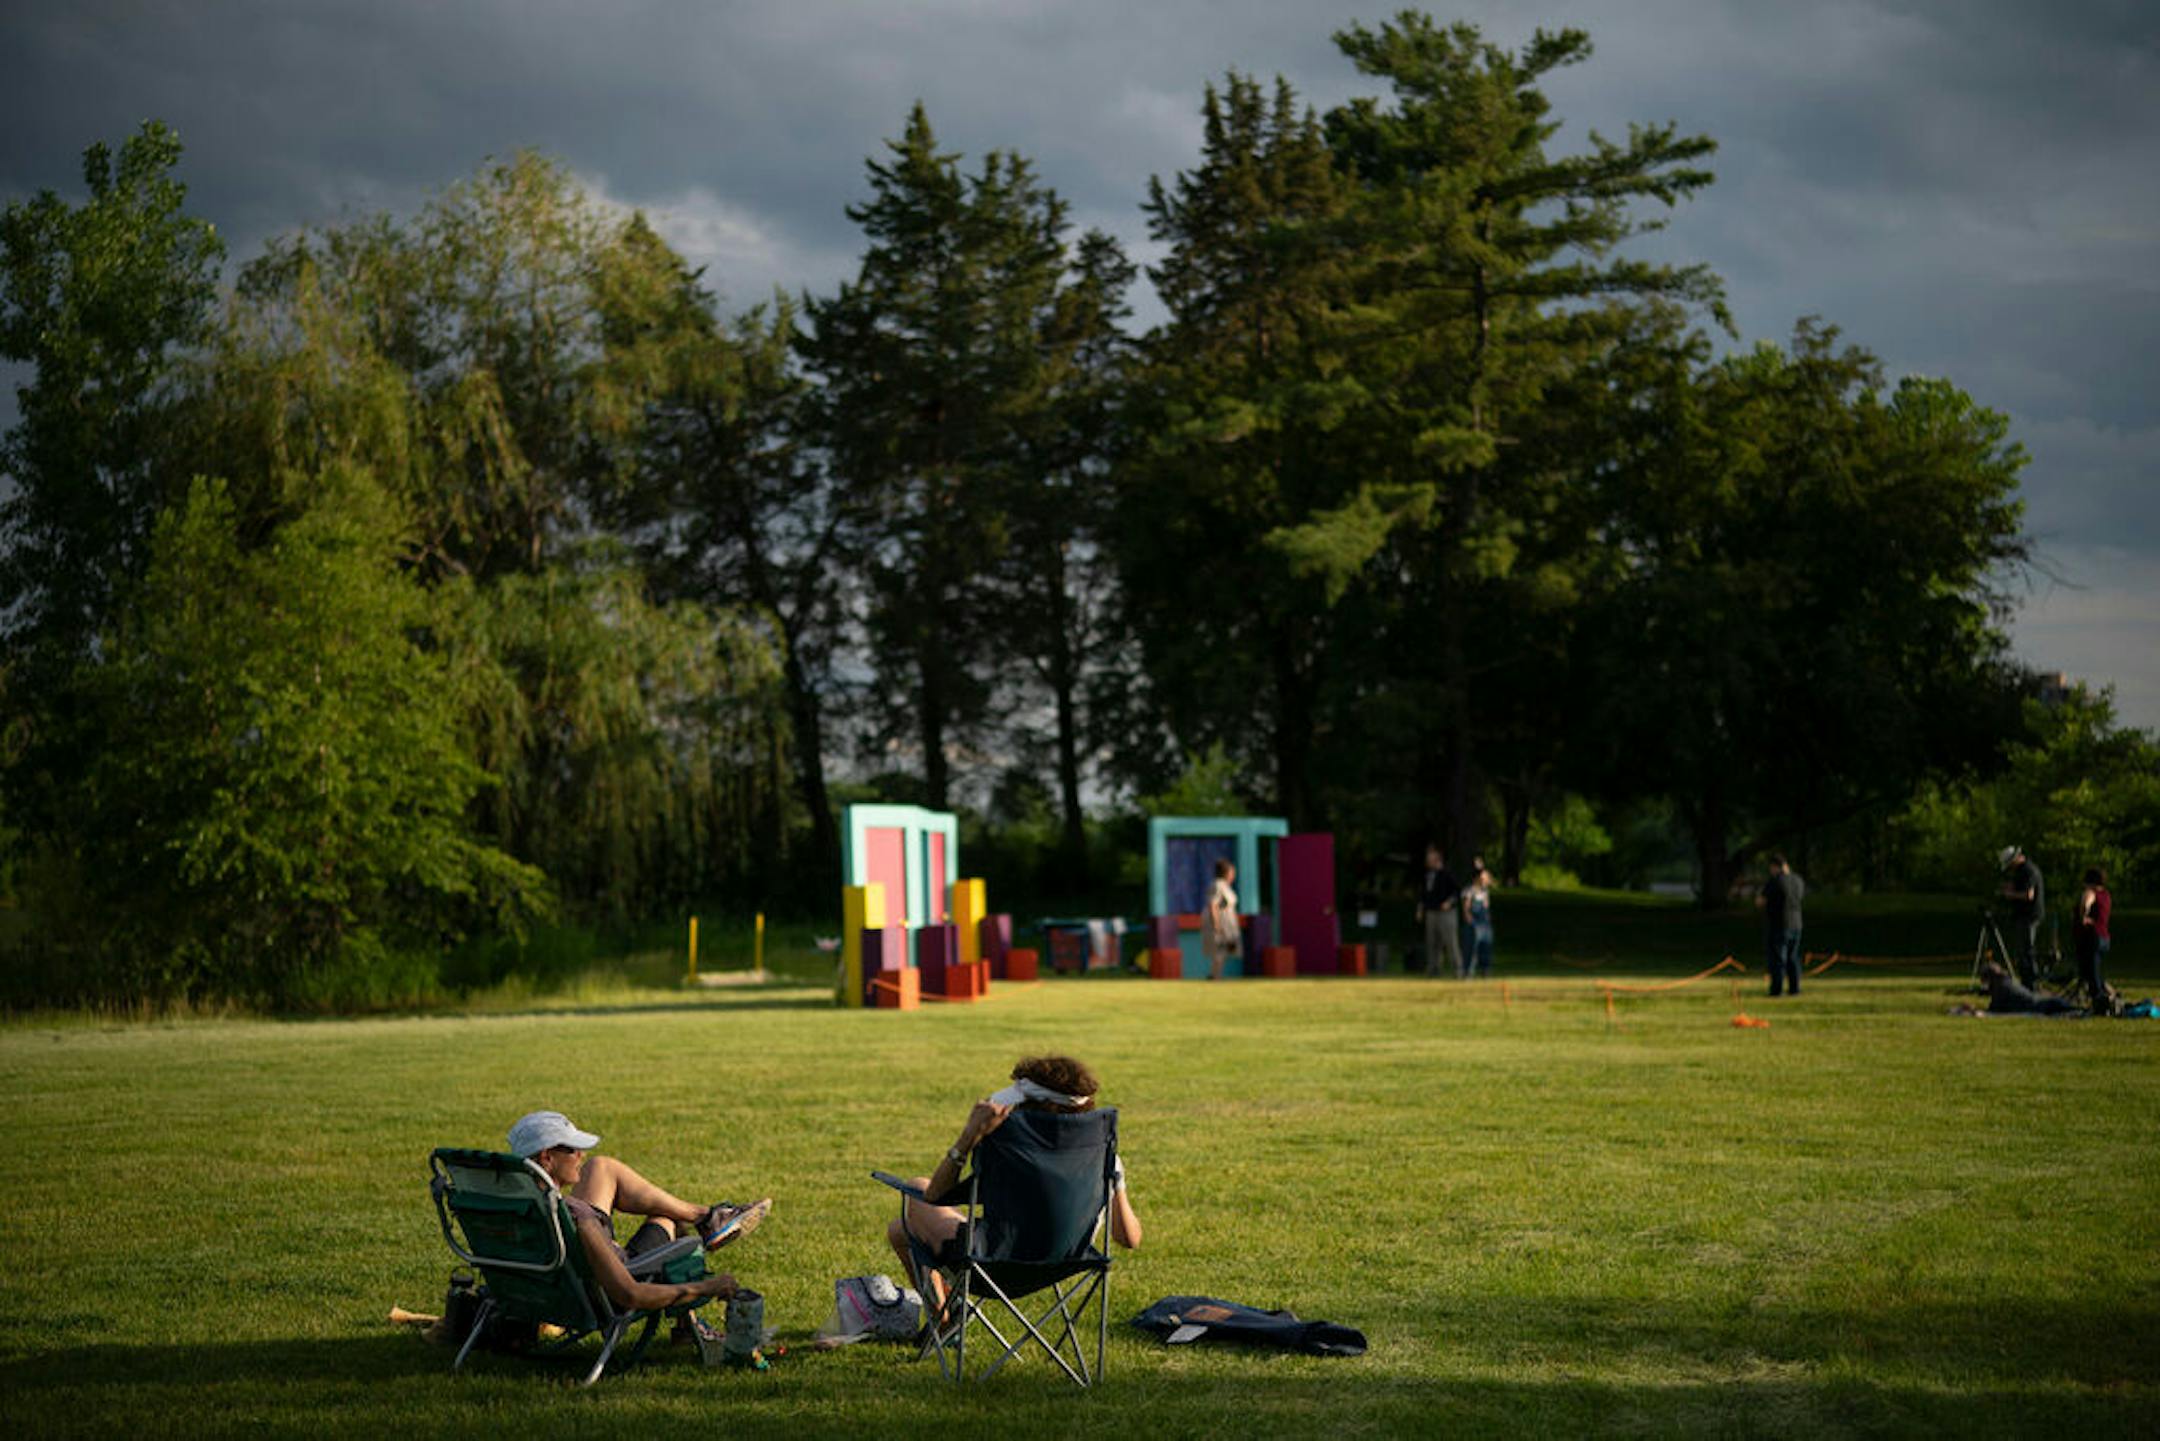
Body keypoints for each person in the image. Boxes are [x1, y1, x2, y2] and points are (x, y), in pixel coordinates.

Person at [885, 1055, 1141, 1307]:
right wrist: (1117, 1183)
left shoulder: (1009, 1154)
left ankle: (948, 1314)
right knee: (900, 1230)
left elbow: (933, 1196)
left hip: (991, 1266)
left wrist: (969, 1136)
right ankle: (944, 1318)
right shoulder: (1102, 1159)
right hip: (1064, 1265)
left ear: (1035, 1109)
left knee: (917, 1188)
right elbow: (1129, 1239)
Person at [506, 1109, 769, 1318]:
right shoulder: (576, 1219)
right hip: (600, 1295)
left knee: (601, 1167)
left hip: (541, 1294)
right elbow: (630, 1294)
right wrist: (708, 1287)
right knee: (669, 1220)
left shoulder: (507, 1205)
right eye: (573, 1149)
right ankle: (690, 1328)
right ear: (546, 1158)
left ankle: (707, 1217)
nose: (582, 1155)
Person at [1756, 853, 1805, 997]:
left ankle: (1776, 990)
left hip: (1779, 924)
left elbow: (1760, 901)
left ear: (1774, 866)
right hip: (1797, 924)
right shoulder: (1798, 880)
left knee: (1778, 959)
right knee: (1793, 958)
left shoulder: (1775, 881)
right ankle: (1794, 989)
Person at [1998, 844, 2045, 987]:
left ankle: (2031, 983)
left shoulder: (2028, 870)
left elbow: (2028, 895)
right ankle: (2027, 982)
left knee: (2027, 950)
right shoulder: (2020, 871)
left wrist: (2009, 895)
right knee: (2023, 951)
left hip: (2029, 915)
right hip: (2022, 915)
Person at [1417, 844, 1463, 978]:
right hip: (1431, 912)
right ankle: (1433, 970)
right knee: (1432, 943)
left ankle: (1458, 969)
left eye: (1430, 859)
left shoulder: (1447, 874)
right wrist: (1420, 908)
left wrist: (1449, 903)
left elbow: (1457, 891)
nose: (1428, 862)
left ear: (1437, 859)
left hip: (1446, 914)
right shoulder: (1427, 875)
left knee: (1450, 942)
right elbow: (1424, 894)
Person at [2074, 866, 2113, 1009]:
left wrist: (2083, 916)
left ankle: (2100, 1001)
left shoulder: (2091, 892)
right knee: (2095, 972)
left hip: (2092, 937)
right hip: (2104, 937)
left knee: (2091, 973)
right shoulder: (2106, 895)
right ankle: (2106, 995)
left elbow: (2086, 903)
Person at [1204, 858, 1241, 980]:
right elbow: (1213, 905)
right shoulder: (1218, 885)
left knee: (1227, 949)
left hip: (1229, 923)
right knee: (1221, 949)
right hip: (1221, 922)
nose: (1233, 876)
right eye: (1231, 873)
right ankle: (1215, 976)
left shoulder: (1226, 886)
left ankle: (1215, 975)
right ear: (1225, 873)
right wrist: (1216, 924)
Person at [1462, 858, 1495, 979]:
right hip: (1474, 923)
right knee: (1471, 948)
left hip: (1484, 922)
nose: (1484, 880)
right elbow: (1466, 907)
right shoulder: (1469, 890)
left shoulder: (1485, 891)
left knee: (1486, 947)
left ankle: (1485, 970)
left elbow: (1491, 882)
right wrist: (1468, 918)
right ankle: (1468, 972)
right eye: (1482, 878)